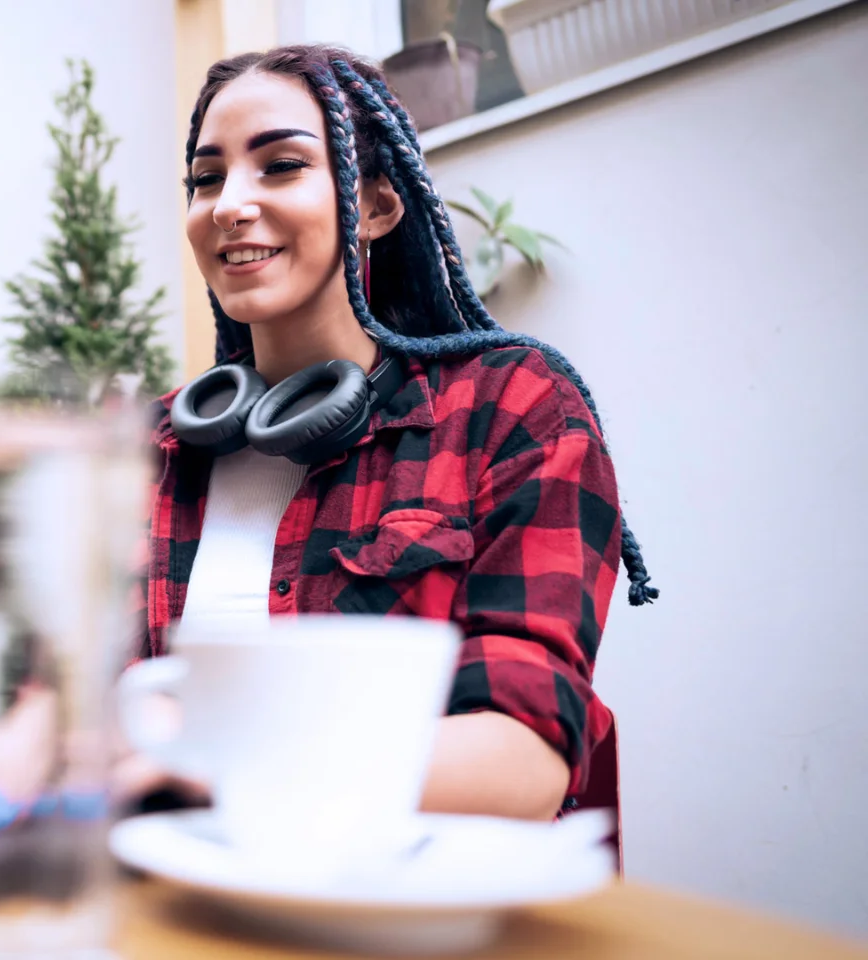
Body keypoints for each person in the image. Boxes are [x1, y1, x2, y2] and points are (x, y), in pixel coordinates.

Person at [115, 45, 656, 822]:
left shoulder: (513, 408)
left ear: (376, 206)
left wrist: (213, 762)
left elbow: (522, 761)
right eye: (207, 177)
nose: (229, 203)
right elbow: (56, 709)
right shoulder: (148, 449)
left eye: (280, 165)